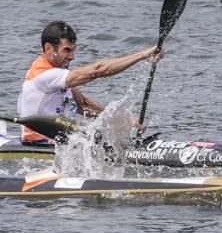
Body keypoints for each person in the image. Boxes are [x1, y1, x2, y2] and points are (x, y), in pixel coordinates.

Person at [17, 20, 160, 143]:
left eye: (73, 50)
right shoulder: (44, 74)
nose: (72, 56)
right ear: (48, 48)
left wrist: (126, 121)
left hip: (61, 142)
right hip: (39, 143)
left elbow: (83, 105)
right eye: (66, 50)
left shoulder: (58, 75)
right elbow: (97, 70)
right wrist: (142, 55)